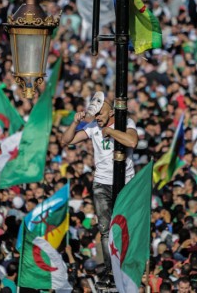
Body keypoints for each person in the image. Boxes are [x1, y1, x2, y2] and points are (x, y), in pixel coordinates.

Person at [61, 91, 138, 282]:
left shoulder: (126, 123)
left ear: (111, 112)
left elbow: (132, 141)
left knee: (125, 225)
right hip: (101, 183)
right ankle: (111, 269)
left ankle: (127, 264)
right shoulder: (93, 126)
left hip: (125, 182)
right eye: (95, 115)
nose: (98, 118)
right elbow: (66, 141)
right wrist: (74, 122)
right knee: (105, 228)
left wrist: (111, 132)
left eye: (100, 114)